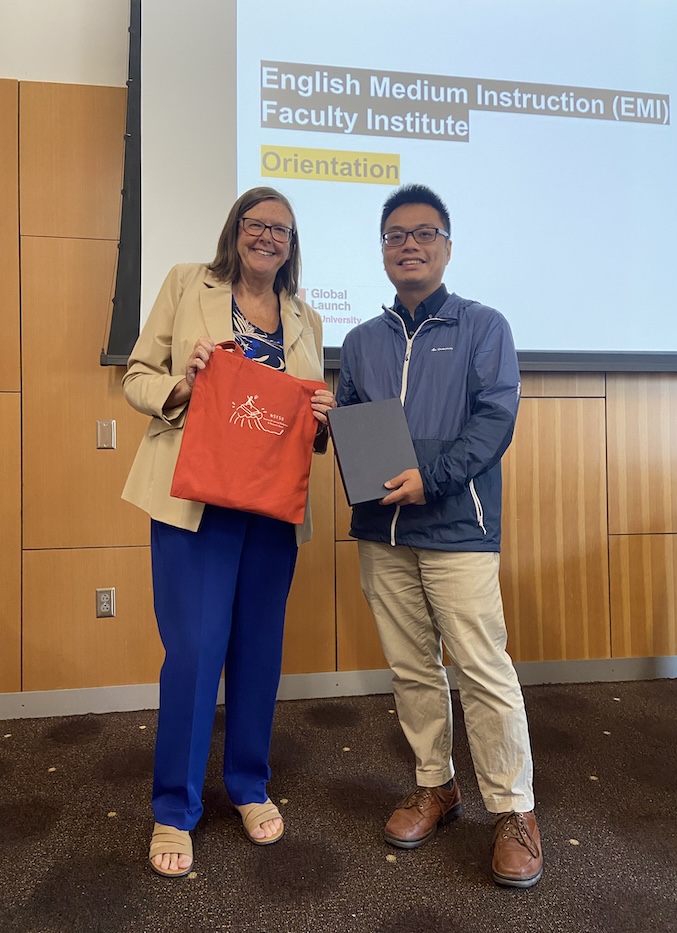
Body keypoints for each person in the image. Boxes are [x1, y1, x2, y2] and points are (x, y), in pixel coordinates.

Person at [122, 186, 335, 877]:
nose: (267, 235)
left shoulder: (307, 317)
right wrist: (183, 385)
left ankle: (247, 784)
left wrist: (325, 418)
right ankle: (174, 807)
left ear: (291, 244)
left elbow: (306, 420)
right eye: (256, 223)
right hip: (196, 502)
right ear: (236, 230)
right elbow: (137, 376)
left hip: (271, 511)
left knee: (257, 652)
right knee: (192, 652)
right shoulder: (189, 284)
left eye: (281, 228)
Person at [336, 184, 543, 888]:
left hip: (458, 527)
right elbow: (353, 429)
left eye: (424, 233)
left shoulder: (484, 326)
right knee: (411, 668)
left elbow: (493, 423)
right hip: (382, 532)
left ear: (447, 247)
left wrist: (432, 476)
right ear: (383, 251)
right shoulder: (361, 340)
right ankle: (437, 785)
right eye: (395, 235)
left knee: (483, 669)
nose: (409, 245)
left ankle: (515, 809)